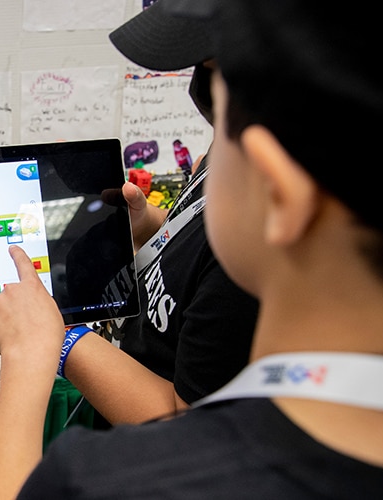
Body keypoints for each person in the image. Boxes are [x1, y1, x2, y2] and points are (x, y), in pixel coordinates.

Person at [0, 0, 383, 497]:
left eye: (220, 123)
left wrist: (42, 345)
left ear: (276, 190)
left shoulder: (99, 481)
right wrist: (156, 232)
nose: (204, 153)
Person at [60, 0, 259, 426]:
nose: (199, 78)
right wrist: (147, 226)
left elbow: (187, 425)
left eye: (209, 62)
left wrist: (60, 338)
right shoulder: (229, 145)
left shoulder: (252, 242)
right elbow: (194, 249)